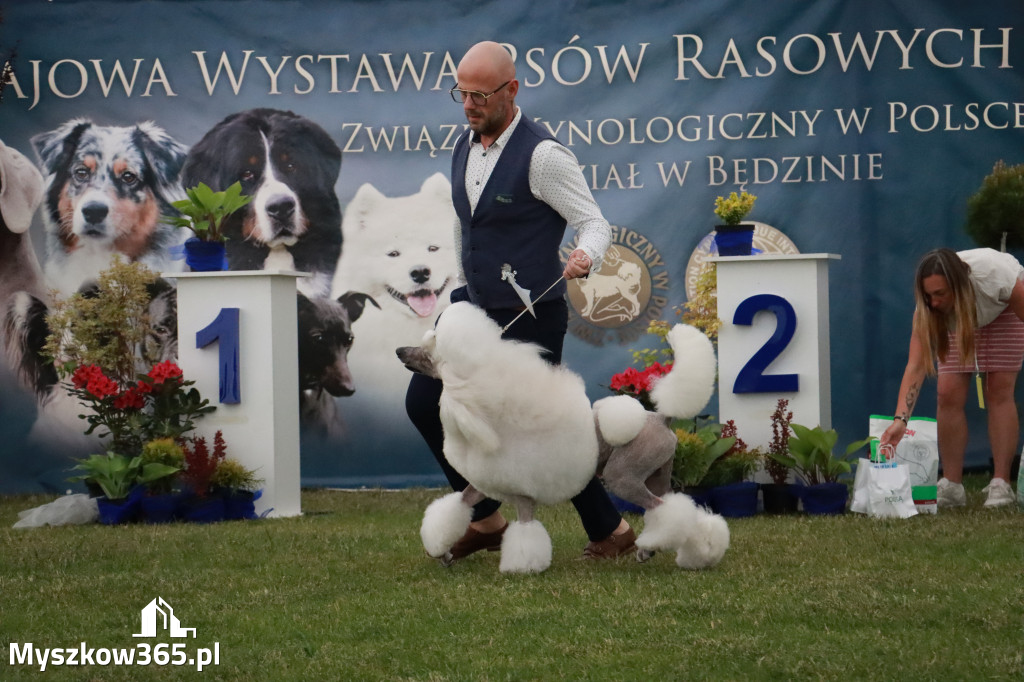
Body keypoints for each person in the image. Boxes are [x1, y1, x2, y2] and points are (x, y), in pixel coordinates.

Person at [405, 40, 636, 561]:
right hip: (475, 309)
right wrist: (462, 296)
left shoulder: (544, 155)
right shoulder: (464, 143)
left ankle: (613, 533)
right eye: (460, 94)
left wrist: (585, 257)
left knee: (540, 430)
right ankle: (487, 521)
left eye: (480, 95)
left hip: (532, 313)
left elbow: (595, 222)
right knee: (424, 402)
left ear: (511, 90)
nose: (469, 105)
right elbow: (468, 226)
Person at [880, 247, 1024, 507]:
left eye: (940, 294)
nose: (933, 301)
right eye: (928, 295)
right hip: (958, 318)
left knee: (999, 390)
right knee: (947, 392)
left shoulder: (996, 277)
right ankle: (952, 484)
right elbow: (915, 365)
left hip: (1003, 310)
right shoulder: (931, 307)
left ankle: (1001, 484)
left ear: (957, 285)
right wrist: (901, 419)